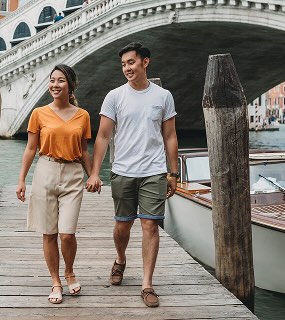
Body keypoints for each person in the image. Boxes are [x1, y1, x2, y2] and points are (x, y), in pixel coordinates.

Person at [86, 42, 178, 308]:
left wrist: (173, 172)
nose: (127, 68)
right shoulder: (114, 96)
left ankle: (147, 284)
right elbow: (103, 136)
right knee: (122, 226)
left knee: (150, 225)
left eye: (131, 62)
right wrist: (95, 172)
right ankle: (121, 259)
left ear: (145, 62)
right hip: (123, 171)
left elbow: (170, 136)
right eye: (124, 64)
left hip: (154, 171)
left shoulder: (163, 96)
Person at [16, 64, 93, 305]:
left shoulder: (83, 115)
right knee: (49, 232)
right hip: (45, 171)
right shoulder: (38, 113)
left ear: (70, 85)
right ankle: (56, 281)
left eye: (60, 81)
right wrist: (21, 180)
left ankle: (69, 272)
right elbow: (30, 149)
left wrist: (93, 175)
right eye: (52, 80)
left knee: (67, 233)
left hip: (72, 174)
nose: (55, 85)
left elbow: (83, 151)